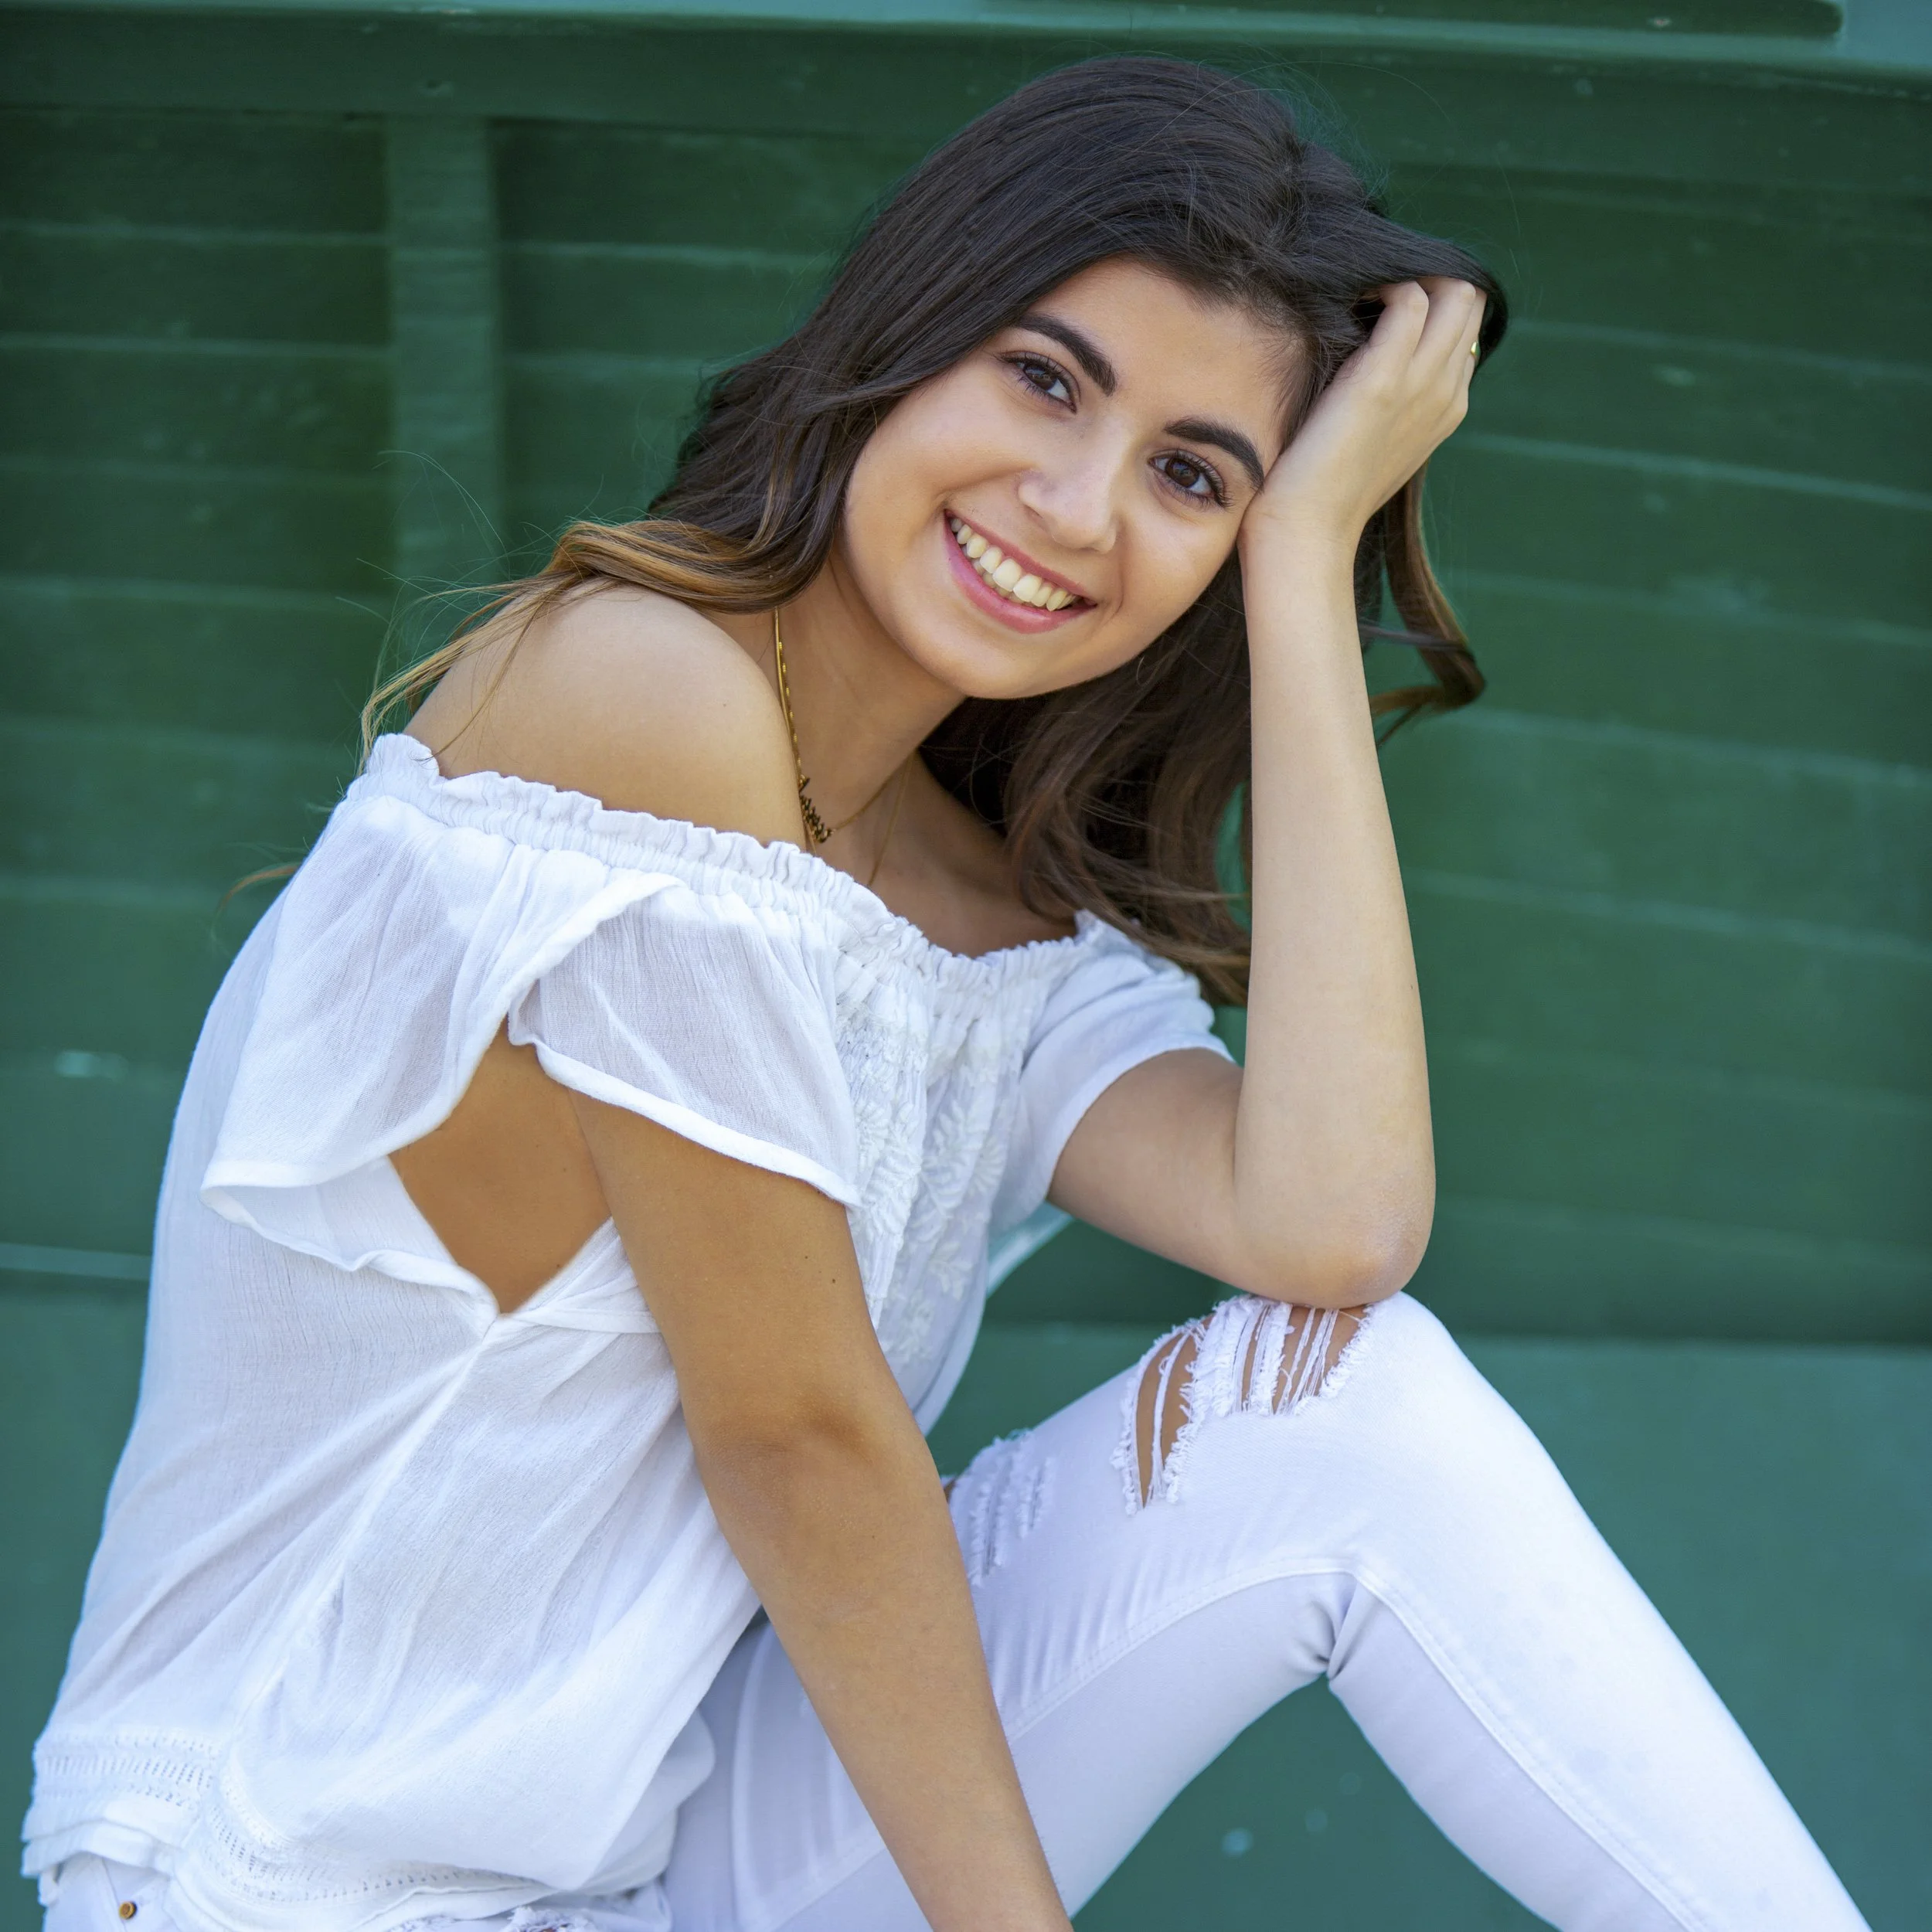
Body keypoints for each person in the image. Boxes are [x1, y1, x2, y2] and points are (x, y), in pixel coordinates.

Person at [24, 55, 1866, 1932]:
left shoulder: (975, 911)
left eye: (1188, 474)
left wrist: (1303, 572)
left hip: (648, 1864)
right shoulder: (632, 695)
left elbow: (1328, 1227)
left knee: (1344, 1405)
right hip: (284, 1879)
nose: (1075, 508)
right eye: (1044, 378)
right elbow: (795, 1434)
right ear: (904, 338)